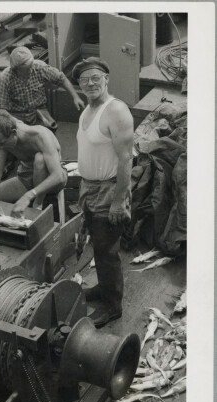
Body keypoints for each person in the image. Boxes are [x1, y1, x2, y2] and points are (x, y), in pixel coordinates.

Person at [72, 57, 133, 328]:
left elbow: (126, 159)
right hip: (89, 187)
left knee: (107, 250)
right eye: (84, 80)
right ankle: (103, 288)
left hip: (108, 189)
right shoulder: (87, 110)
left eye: (95, 77)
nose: (90, 83)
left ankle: (112, 305)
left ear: (106, 79)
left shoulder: (116, 110)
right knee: (98, 243)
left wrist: (119, 201)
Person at [0, 109, 67, 218]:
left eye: (2, 143)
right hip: (27, 178)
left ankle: (38, 204)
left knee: (40, 159)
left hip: (51, 180)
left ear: (14, 132)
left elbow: (58, 176)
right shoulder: (3, 138)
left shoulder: (40, 136)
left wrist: (28, 196)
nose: (0, 148)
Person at [0, 46, 85, 127]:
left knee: (50, 131)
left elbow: (61, 78)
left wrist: (76, 97)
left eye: (31, 66)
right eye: (26, 70)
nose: (31, 70)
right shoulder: (5, 77)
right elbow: (0, 109)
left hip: (39, 110)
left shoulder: (39, 67)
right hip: (16, 114)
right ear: (16, 69)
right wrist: (18, 124)